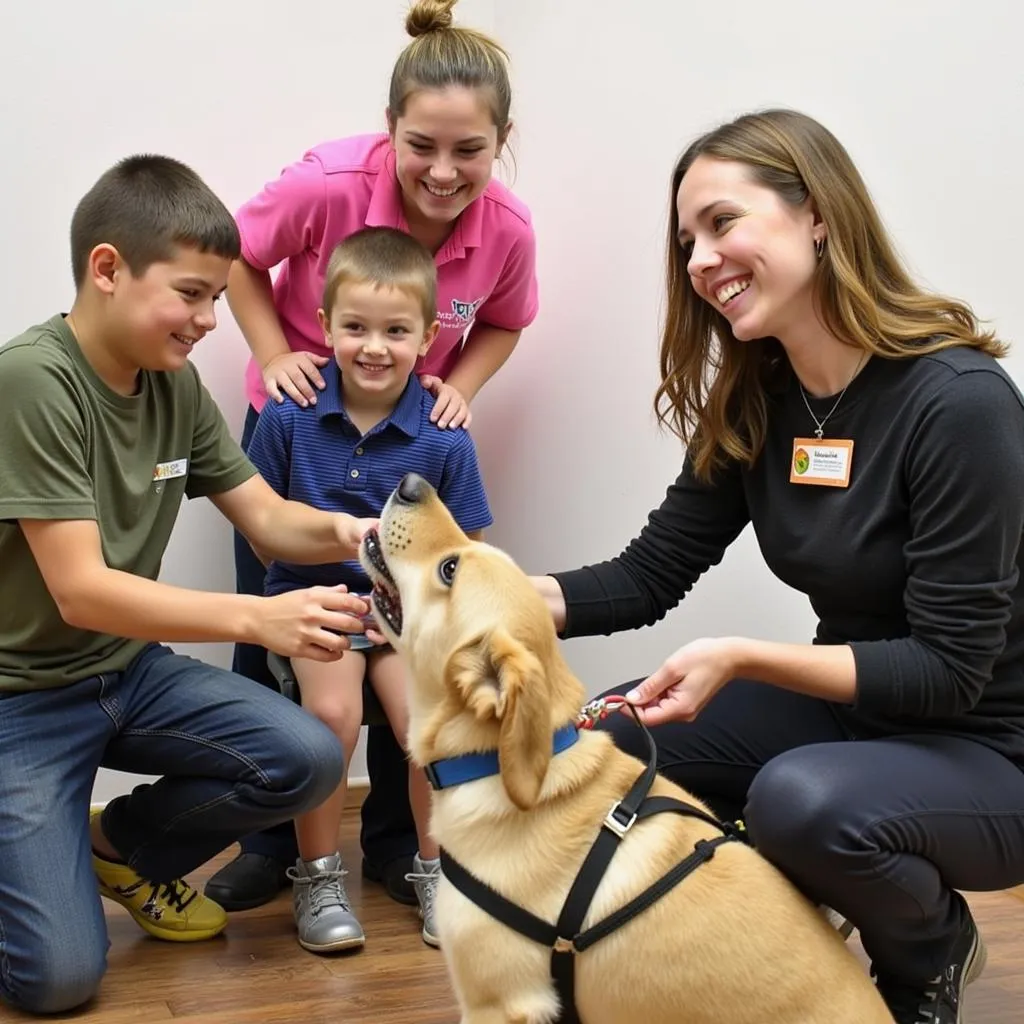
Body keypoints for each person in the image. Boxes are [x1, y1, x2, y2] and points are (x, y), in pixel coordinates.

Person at [531, 109, 1024, 1024]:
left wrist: (743, 656)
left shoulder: (959, 403)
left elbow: (950, 670)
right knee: (604, 741)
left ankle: (926, 956)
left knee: (799, 803)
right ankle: (761, 950)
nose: (699, 260)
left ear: (818, 216)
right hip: (858, 712)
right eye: (687, 241)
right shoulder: (762, 396)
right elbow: (648, 573)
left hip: (992, 746)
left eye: (723, 222)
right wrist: (505, 600)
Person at [0, 155, 387, 1015]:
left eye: (218, 295)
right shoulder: (32, 380)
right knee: (58, 983)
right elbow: (81, 592)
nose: (213, 319)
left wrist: (345, 531)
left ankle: (116, 849)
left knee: (311, 757)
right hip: (18, 700)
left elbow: (264, 515)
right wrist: (258, 617)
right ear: (107, 269)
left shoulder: (172, 385)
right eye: (192, 294)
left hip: (128, 674)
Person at [209, 0, 537, 912]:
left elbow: (509, 319)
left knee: (409, 672)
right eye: (422, 144)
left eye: (469, 150)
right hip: (300, 430)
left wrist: (462, 382)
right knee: (276, 649)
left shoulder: (506, 228)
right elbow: (233, 255)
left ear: (500, 142)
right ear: (389, 129)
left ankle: (401, 852)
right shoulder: (326, 182)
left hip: (406, 449)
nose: (443, 170)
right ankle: (277, 849)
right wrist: (275, 352)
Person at [246, 226, 492, 953]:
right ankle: (317, 873)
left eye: (395, 331)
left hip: (406, 617)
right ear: (324, 328)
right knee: (330, 717)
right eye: (354, 328)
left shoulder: (444, 437)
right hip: (314, 603)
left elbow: (466, 550)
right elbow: (258, 525)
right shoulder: (290, 415)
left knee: (429, 729)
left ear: (428, 339)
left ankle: (436, 872)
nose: (374, 347)